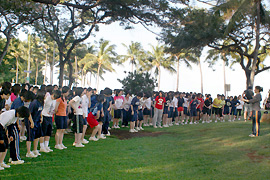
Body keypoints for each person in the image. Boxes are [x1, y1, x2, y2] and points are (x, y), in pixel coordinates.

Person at [28, 90, 45, 156]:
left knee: (37, 136)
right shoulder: (34, 103)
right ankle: (28, 152)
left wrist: (41, 117)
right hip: (32, 121)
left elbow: (40, 111)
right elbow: (29, 113)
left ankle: (35, 150)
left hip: (37, 121)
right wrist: (31, 122)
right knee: (30, 136)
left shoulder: (41, 103)